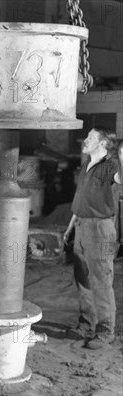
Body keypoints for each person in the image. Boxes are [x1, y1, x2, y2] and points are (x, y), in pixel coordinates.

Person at [63, 127, 121, 349]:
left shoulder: (110, 167)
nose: (85, 140)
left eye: (90, 138)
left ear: (104, 144)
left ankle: (105, 332)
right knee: (83, 278)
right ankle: (86, 324)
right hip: (81, 226)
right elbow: (80, 202)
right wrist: (70, 229)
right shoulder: (85, 166)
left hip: (101, 229)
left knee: (101, 280)